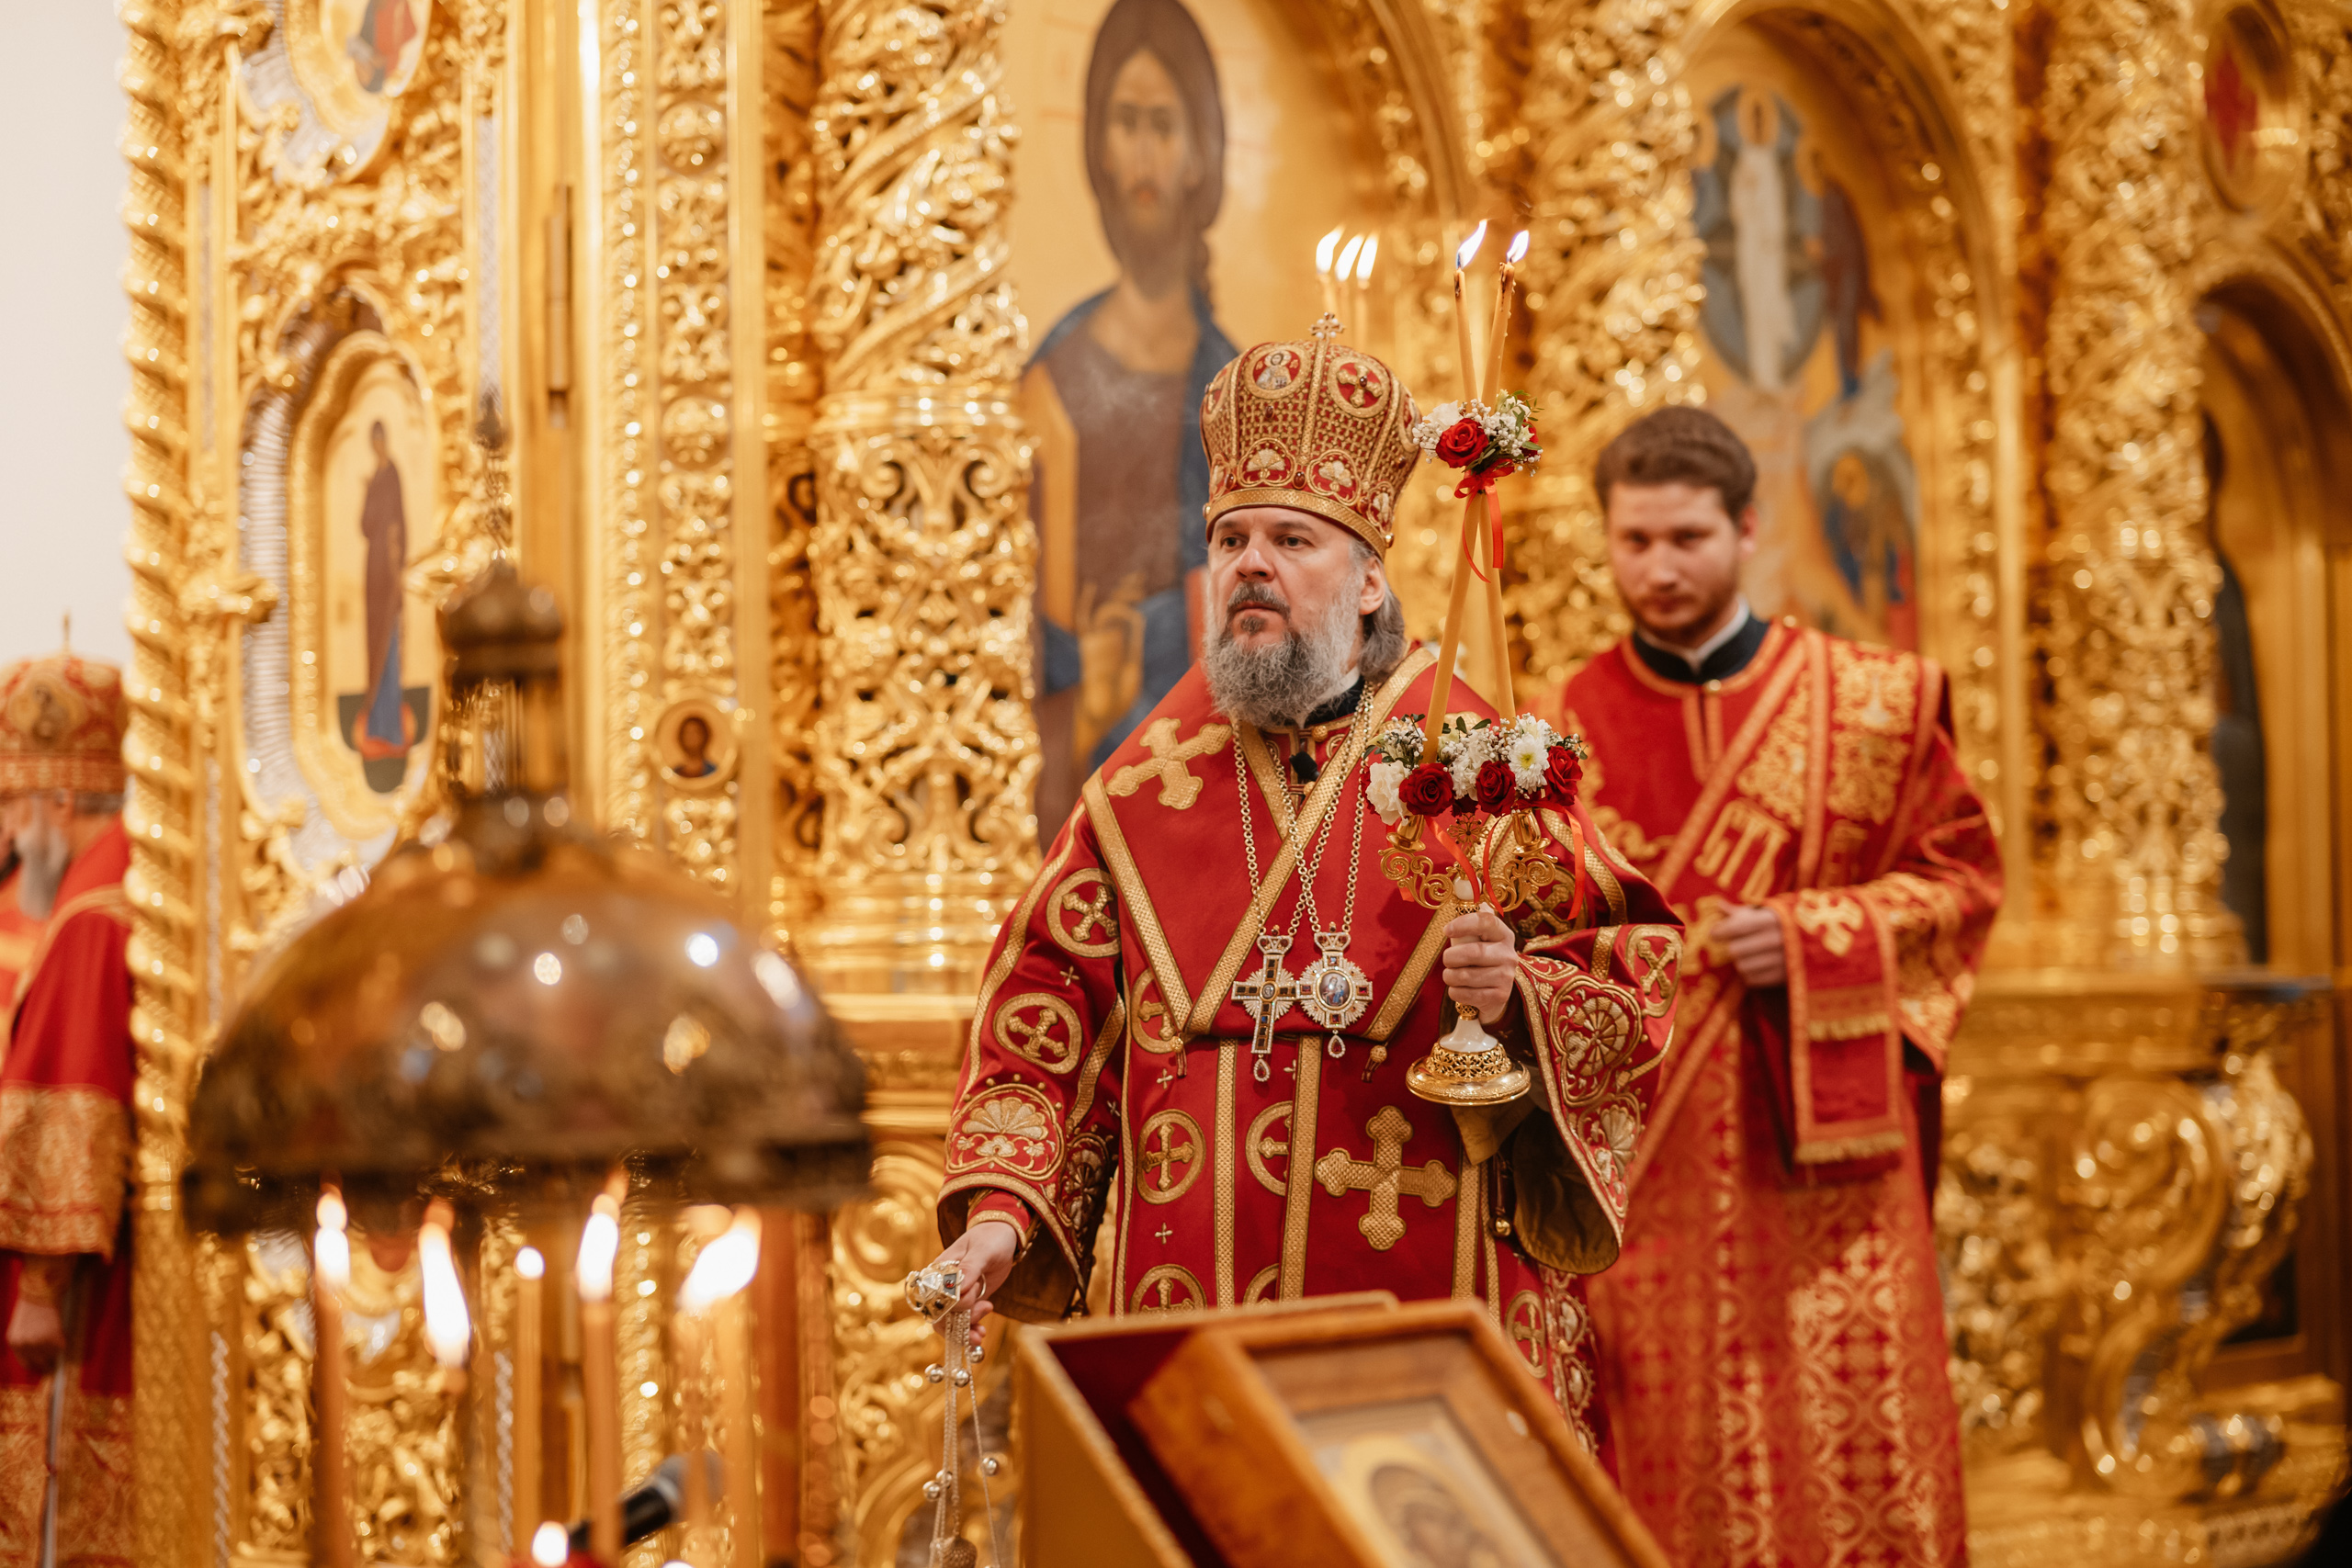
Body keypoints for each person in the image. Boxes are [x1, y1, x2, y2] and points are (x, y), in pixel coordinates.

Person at [922, 323, 1684, 1450]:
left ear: (1370, 581)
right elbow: (1046, 1020)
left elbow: (1632, 971)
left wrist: (1517, 1000)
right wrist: (997, 1216)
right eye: (1230, 539)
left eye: (1290, 538)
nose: (1250, 565)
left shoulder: (1474, 755)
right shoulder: (1142, 788)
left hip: (1428, 1313)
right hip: (1190, 1335)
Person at [1555, 406, 2000, 1568]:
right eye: (1634, 540)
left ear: (1747, 529)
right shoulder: (1553, 728)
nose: (1656, 568)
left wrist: (1818, 932)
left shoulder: (1876, 702)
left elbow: (1961, 881)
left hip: (1830, 1165)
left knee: (1843, 1438)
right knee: (1666, 1439)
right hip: (1644, 1161)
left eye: (1686, 538)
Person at [1024, 0, 1240, 839]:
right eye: (1124, 123)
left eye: (1163, 124)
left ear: (1201, 153)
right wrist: (1083, 690)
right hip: (1080, 778)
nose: (1144, 154)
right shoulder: (1051, 380)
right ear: (1096, 149)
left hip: (1218, 768)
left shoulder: (1236, 381)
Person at [0, 645, 137, 1565]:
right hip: (111, 1260)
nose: (11, 833)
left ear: (55, 804)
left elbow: (72, 1094)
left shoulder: (91, 915)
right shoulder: (120, 883)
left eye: (14, 807)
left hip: (78, 1289)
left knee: (63, 1501)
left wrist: (42, 1289)